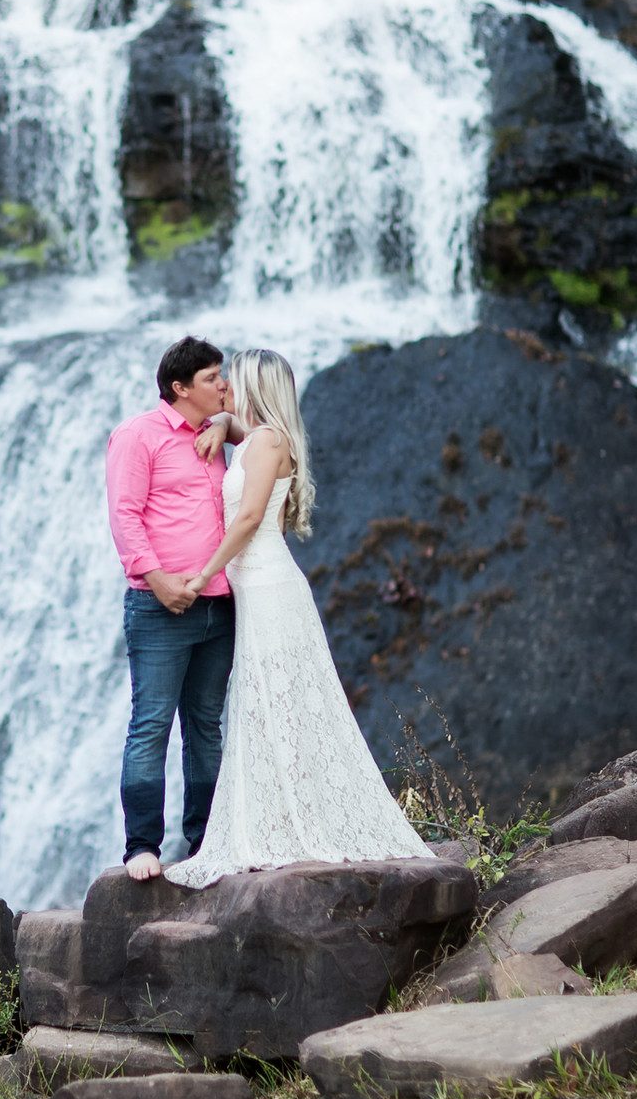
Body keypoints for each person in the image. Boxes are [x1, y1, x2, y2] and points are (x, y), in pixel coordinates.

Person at [162, 347, 434, 887]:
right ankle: (284, 818)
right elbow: (236, 426)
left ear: (256, 386)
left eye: (232, 382)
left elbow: (244, 523)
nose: (225, 390)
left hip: (268, 588)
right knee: (268, 703)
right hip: (259, 587)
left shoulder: (268, 442)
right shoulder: (259, 436)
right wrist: (218, 423)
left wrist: (202, 575)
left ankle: (295, 824)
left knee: (278, 700)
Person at [106, 336, 235, 882]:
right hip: (161, 607)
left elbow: (275, 439)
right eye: (212, 378)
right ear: (180, 388)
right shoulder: (138, 435)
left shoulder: (220, 431)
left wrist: (227, 424)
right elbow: (124, 514)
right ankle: (142, 847)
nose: (224, 384)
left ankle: (205, 838)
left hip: (220, 605)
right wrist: (157, 581)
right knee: (152, 724)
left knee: (205, 725)